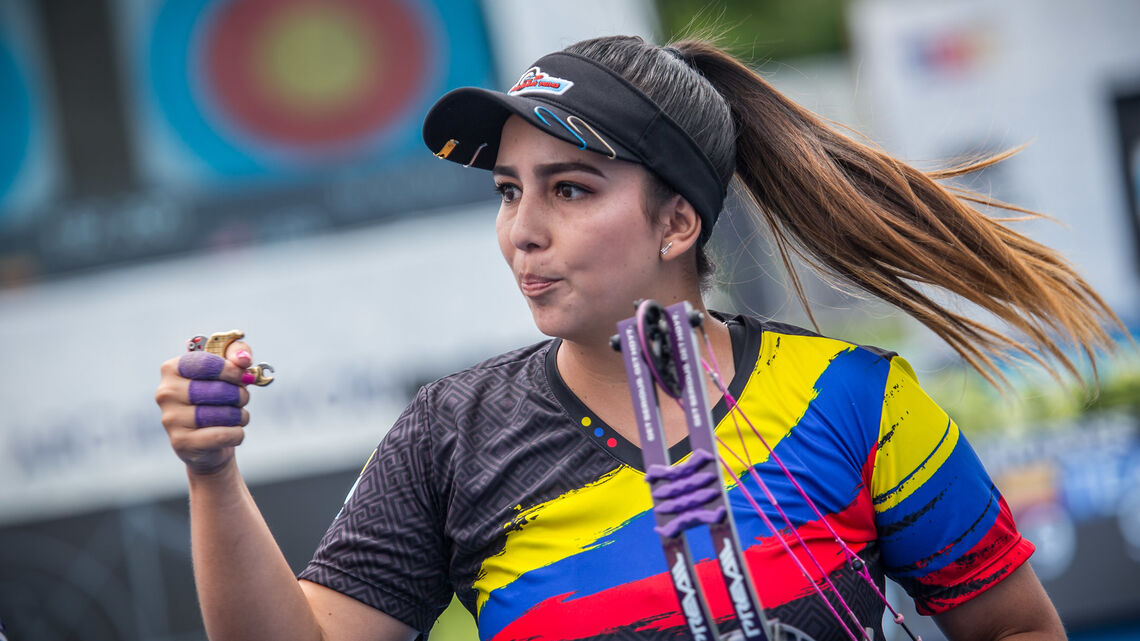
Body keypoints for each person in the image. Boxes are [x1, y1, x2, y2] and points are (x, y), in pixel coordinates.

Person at [156, 34, 1122, 641]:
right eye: (508, 191)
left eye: (569, 189)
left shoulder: (859, 399)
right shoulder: (450, 435)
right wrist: (212, 472)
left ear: (677, 224)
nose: (522, 229)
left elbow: (1013, 627)